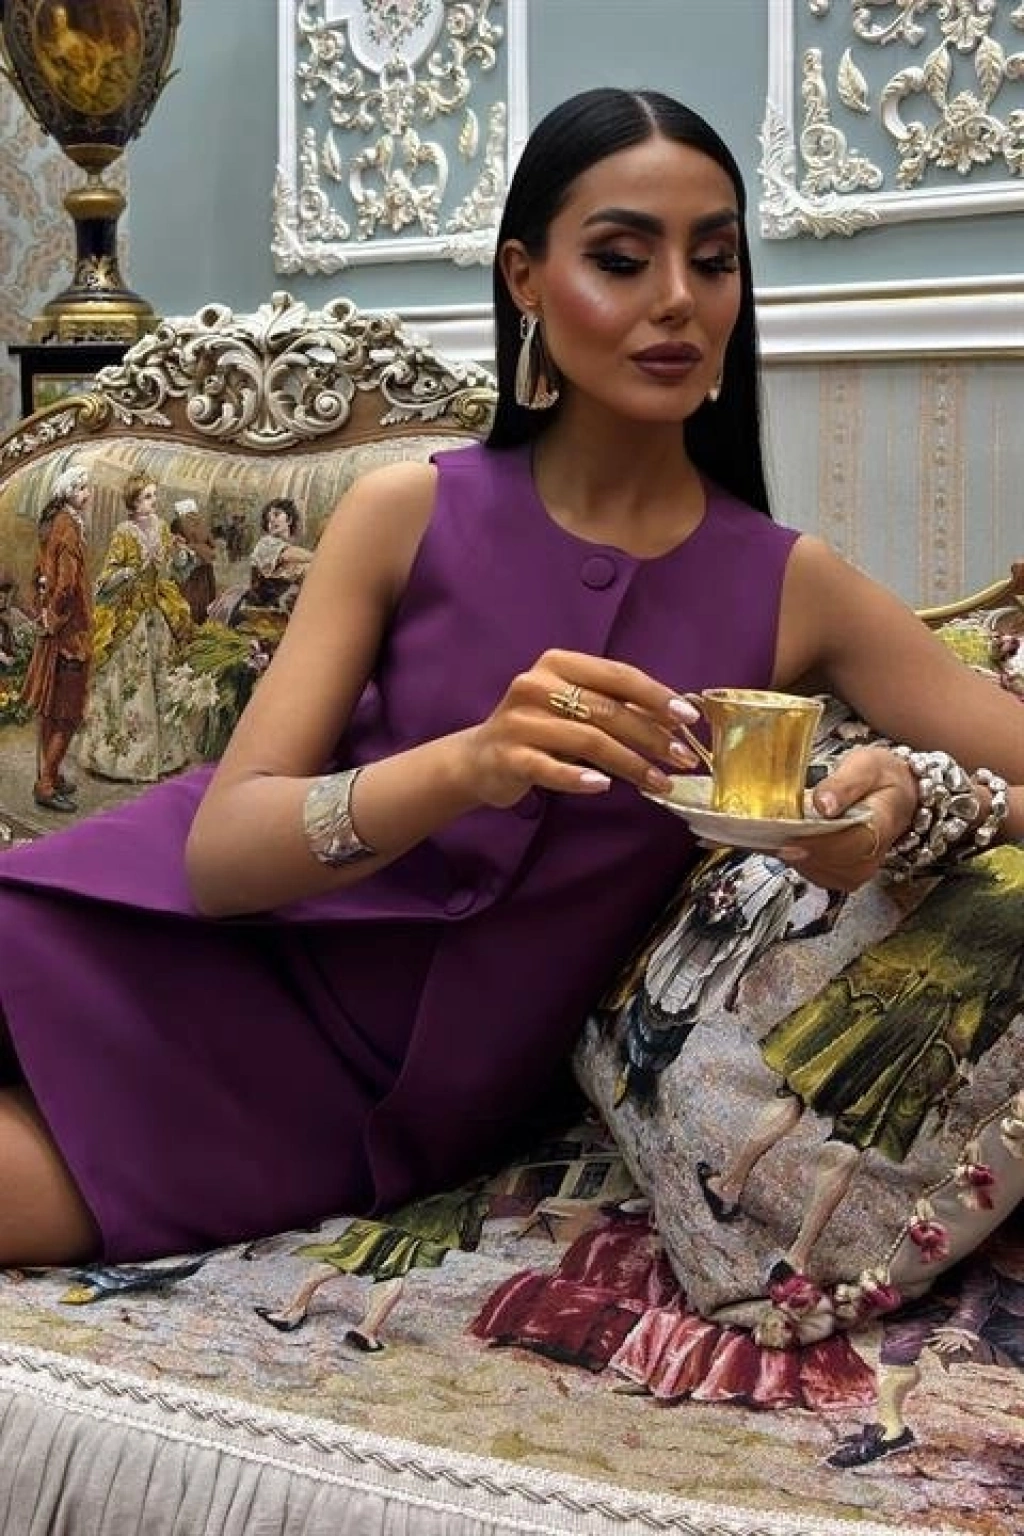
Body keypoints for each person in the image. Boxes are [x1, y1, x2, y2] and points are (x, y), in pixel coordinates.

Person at [0, 87, 1021, 1272]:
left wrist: (923, 805)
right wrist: (467, 765)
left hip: (347, 1094)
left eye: (713, 261)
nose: (678, 300)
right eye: (622, 259)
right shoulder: (405, 512)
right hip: (144, 932)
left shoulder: (799, 588)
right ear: (524, 279)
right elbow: (224, 857)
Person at [77, 472, 194, 783]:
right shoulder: (124, 533)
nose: (153, 501)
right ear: (133, 501)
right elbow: (106, 579)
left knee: (161, 678)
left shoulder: (163, 527)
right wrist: (133, 570)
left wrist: (181, 556)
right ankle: (121, 758)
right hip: (131, 615)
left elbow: (176, 571)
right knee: (130, 680)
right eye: (146, 497)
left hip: (157, 611)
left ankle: (165, 756)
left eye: (154, 495)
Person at [20, 464, 94, 813]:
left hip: (56, 631)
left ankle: (50, 773)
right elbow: (65, 586)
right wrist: (56, 618)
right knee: (68, 712)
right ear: (67, 492)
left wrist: (44, 614)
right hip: (69, 636)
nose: (87, 494)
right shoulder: (68, 529)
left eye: (87, 487)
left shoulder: (55, 523)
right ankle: (46, 784)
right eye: (81, 488)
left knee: (53, 709)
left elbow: (40, 575)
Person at [169, 498, 217, 624]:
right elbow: (212, 544)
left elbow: (176, 546)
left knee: (187, 598)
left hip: (189, 568)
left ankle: (187, 624)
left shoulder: (179, 523)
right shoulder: (203, 524)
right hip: (204, 568)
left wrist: (187, 547)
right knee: (203, 598)